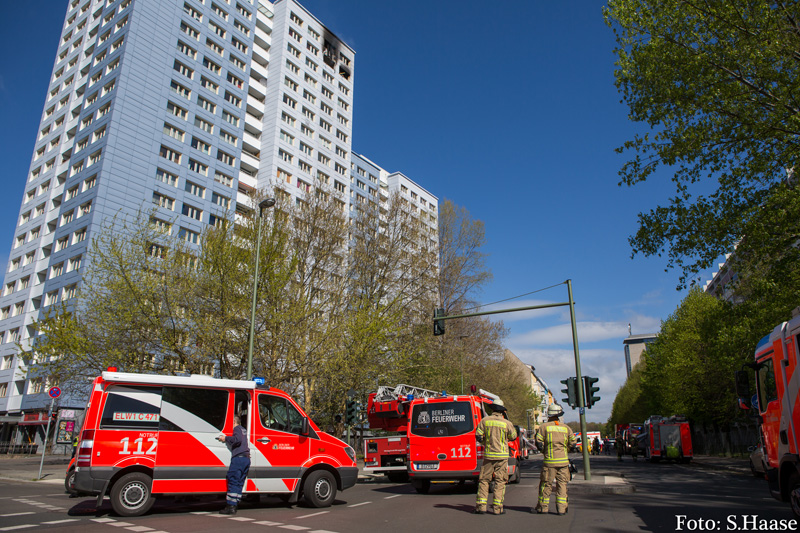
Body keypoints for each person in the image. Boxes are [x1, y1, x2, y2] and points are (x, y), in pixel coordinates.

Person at [474, 399, 517, 515]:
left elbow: (478, 436)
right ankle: (497, 508)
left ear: (492, 409)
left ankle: (481, 507)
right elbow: (513, 436)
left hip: (489, 455)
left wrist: (485, 442)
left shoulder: (485, 421)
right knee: (500, 481)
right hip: (502, 456)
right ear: (502, 411)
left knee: (484, 480)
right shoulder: (507, 423)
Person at [533, 403, 576, 515]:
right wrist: (565, 450)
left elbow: (538, 443)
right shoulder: (566, 428)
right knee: (562, 485)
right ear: (559, 415)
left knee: (546, 484)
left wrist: (544, 451)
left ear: (549, 415)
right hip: (563, 462)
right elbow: (573, 443)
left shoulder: (544, 427)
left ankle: (543, 508)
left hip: (549, 462)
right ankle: (561, 509)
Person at [217, 415, 251, 515]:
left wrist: (225, 438)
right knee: (239, 482)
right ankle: (235, 503)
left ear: (233, 421)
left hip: (238, 459)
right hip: (246, 459)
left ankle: (230, 506)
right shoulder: (243, 429)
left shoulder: (236, 428)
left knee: (233, 481)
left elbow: (237, 439)